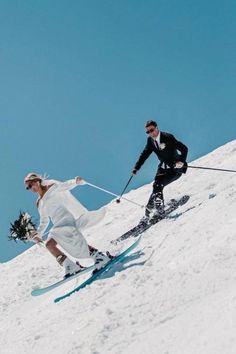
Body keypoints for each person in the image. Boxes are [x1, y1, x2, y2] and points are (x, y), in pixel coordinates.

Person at [24, 173, 111, 278]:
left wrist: (76, 182)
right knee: (49, 245)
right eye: (28, 187)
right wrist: (38, 234)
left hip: (66, 220)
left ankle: (99, 257)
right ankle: (70, 266)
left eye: (30, 185)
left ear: (37, 181)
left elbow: (64, 186)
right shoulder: (39, 202)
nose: (30, 188)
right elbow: (44, 220)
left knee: (74, 242)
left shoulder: (51, 187)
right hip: (58, 224)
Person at [132, 120, 188, 218]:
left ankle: (159, 210)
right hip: (162, 169)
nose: (150, 133)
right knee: (156, 186)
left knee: (158, 185)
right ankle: (148, 214)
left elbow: (184, 148)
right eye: (148, 132)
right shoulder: (150, 141)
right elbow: (144, 154)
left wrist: (181, 162)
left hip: (174, 169)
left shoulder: (168, 137)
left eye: (152, 130)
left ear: (157, 128)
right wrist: (136, 168)